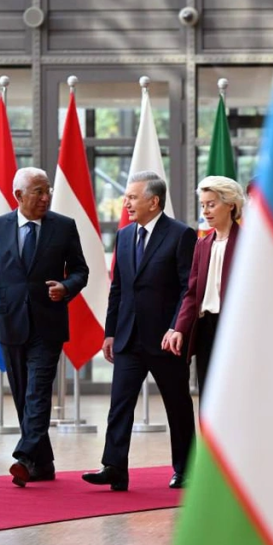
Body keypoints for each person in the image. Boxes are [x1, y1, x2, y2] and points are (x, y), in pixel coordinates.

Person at [0, 167, 89, 487]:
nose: (46, 197)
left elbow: (81, 271)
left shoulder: (64, 226)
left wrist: (66, 287)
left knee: (38, 391)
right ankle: (43, 464)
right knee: (23, 395)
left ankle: (24, 456)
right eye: (38, 192)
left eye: (48, 191)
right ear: (18, 196)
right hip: (11, 323)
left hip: (48, 325)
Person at [82, 171, 197, 492]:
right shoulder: (124, 236)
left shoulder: (181, 235)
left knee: (177, 406)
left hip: (166, 340)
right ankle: (114, 467)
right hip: (128, 338)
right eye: (127, 197)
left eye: (132, 197)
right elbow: (118, 289)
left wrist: (176, 328)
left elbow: (188, 289)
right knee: (119, 405)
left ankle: (186, 470)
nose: (126, 203)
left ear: (154, 201)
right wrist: (110, 332)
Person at [162, 176, 244, 398]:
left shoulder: (247, 243)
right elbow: (191, 293)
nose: (206, 211)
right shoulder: (202, 244)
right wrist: (179, 328)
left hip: (235, 326)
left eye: (211, 204)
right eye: (203, 205)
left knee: (234, 392)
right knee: (207, 392)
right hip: (205, 327)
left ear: (230, 205)